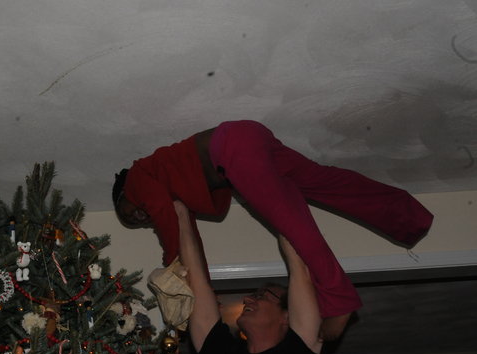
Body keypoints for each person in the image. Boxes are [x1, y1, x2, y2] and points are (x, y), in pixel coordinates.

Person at [112, 120, 433, 339]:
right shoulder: (168, 180)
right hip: (248, 136)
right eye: (138, 222)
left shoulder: (138, 176)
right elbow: (189, 237)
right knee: (322, 181)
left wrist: (173, 272)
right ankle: (407, 216)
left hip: (232, 149)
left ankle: (340, 301)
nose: (140, 216)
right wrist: (201, 288)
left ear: (124, 192)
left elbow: (169, 229)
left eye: (130, 213)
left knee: (294, 224)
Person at [174, 199, 322, 354]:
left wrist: (270, 195)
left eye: (263, 295)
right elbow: (195, 280)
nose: (247, 299)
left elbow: (299, 269)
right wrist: (181, 212)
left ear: (287, 316)